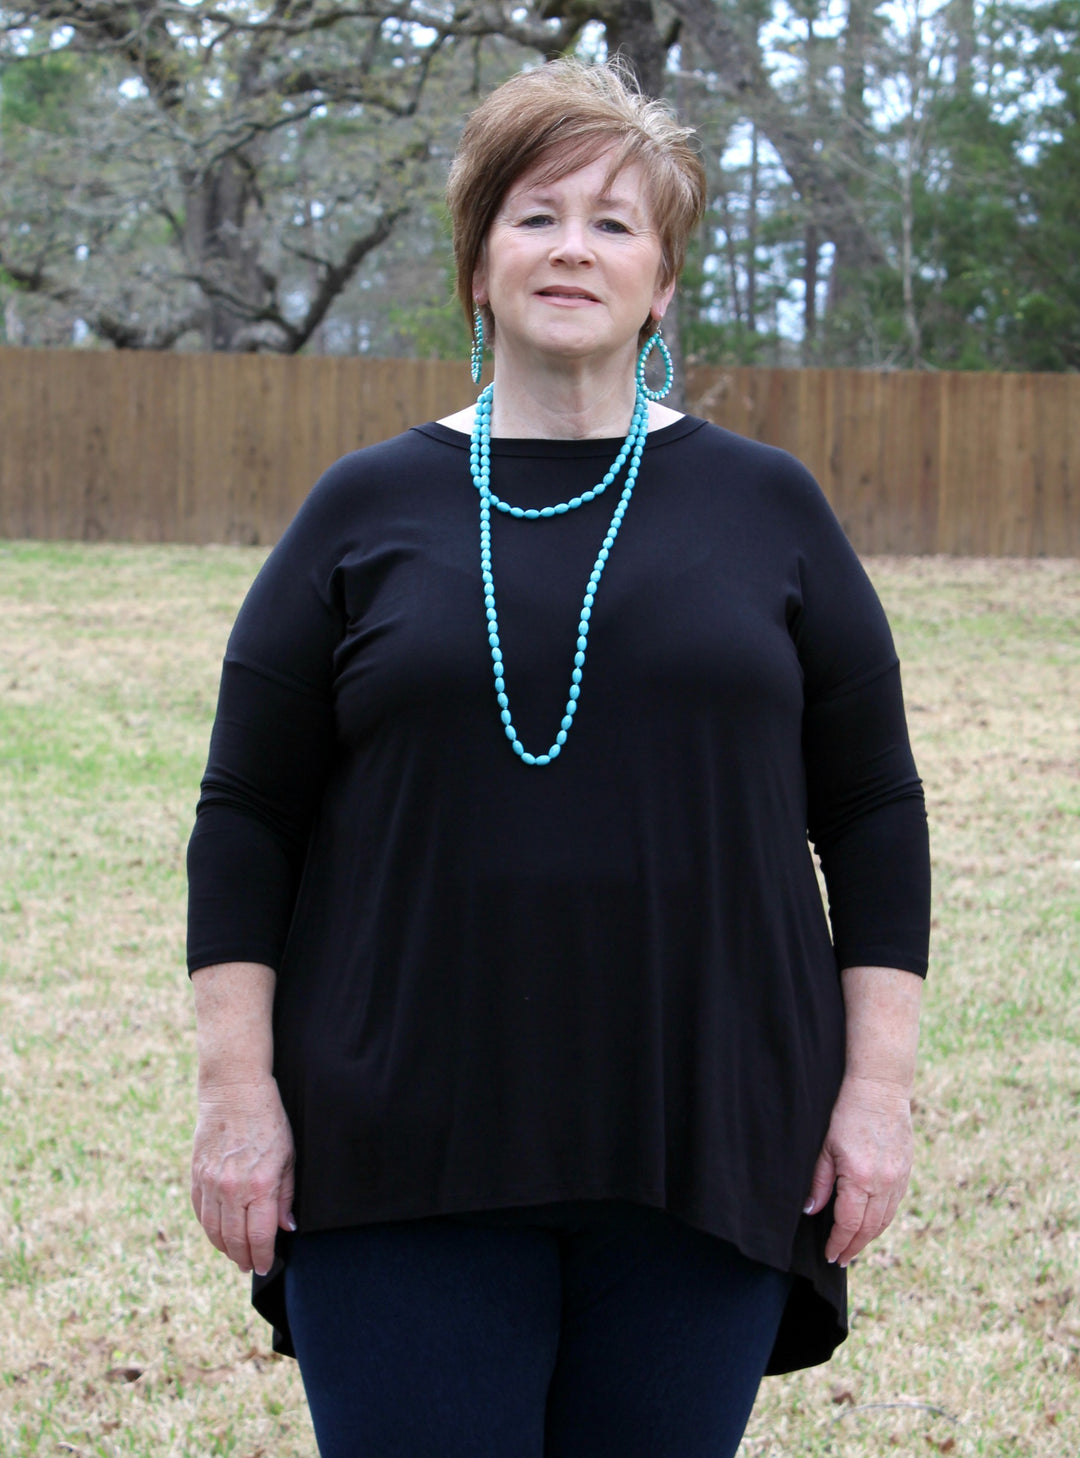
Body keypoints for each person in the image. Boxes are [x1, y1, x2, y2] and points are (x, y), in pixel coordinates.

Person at [187, 59, 930, 1458]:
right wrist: (240, 1096)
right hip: (398, 1139)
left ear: (662, 283)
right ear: (477, 265)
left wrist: (873, 1096)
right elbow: (244, 817)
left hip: (699, 1133)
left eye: (613, 221)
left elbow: (877, 812)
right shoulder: (365, 507)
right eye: (534, 216)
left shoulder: (769, 507)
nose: (572, 247)